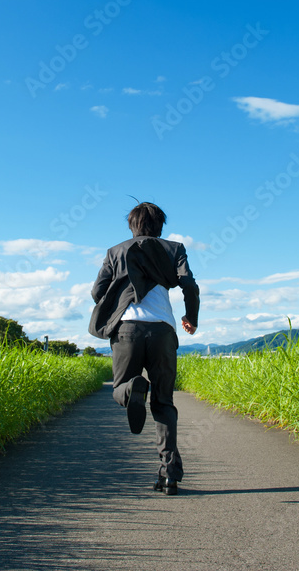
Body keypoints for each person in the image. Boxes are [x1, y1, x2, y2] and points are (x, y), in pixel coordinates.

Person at [89, 202, 200, 496]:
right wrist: (192, 316)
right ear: (160, 226)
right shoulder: (174, 248)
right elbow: (190, 285)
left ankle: (132, 388)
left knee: (119, 387)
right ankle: (169, 476)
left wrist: (117, 295)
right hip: (163, 330)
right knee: (164, 403)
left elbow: (97, 292)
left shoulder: (116, 251)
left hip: (127, 330)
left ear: (132, 225)